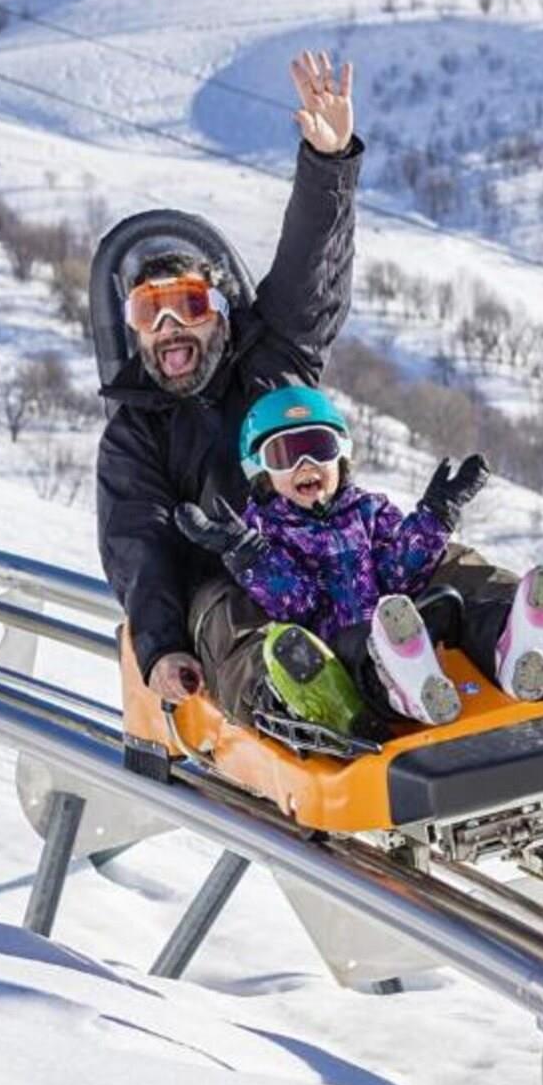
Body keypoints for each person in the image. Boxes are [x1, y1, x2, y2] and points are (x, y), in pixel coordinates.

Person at [97, 50, 367, 705]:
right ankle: (299, 705)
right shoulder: (137, 434)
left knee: (436, 563)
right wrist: (161, 645)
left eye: (187, 305)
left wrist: (328, 162)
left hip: (331, 552)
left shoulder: (276, 355)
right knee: (235, 621)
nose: (168, 327)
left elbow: (310, 267)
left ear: (220, 312)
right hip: (230, 588)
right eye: (149, 313)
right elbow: (140, 545)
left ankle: (518, 631)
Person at [173, 386, 543, 737]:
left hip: (404, 624)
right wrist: (250, 553)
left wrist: (437, 514)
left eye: (319, 447)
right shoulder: (265, 532)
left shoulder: (368, 509)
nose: (307, 464)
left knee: (463, 612)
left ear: (341, 455)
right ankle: (409, 691)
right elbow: (299, 604)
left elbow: (402, 570)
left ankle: (515, 648)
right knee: (369, 653)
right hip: (342, 649)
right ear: (261, 471)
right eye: (285, 455)